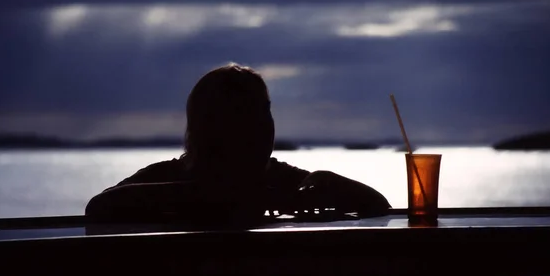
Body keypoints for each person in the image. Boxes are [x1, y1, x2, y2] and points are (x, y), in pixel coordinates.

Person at [85, 63, 391, 222]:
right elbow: (99, 208)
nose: (261, 127)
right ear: (209, 126)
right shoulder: (168, 176)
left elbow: (379, 206)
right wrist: (217, 194)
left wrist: (329, 182)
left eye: (265, 112)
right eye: (243, 115)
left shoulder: (280, 179)